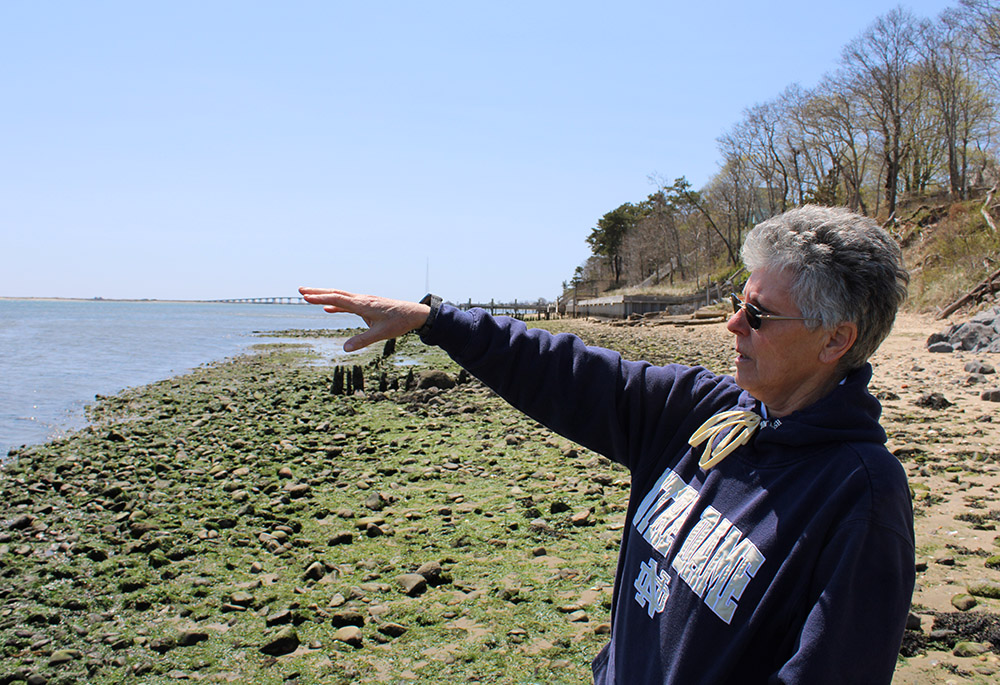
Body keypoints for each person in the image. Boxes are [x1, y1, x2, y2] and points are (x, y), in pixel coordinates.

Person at [300, 205, 915, 684]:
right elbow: (569, 371)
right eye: (737, 304)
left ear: (836, 341)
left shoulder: (860, 496)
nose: (732, 325)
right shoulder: (704, 411)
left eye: (758, 316)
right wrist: (435, 321)